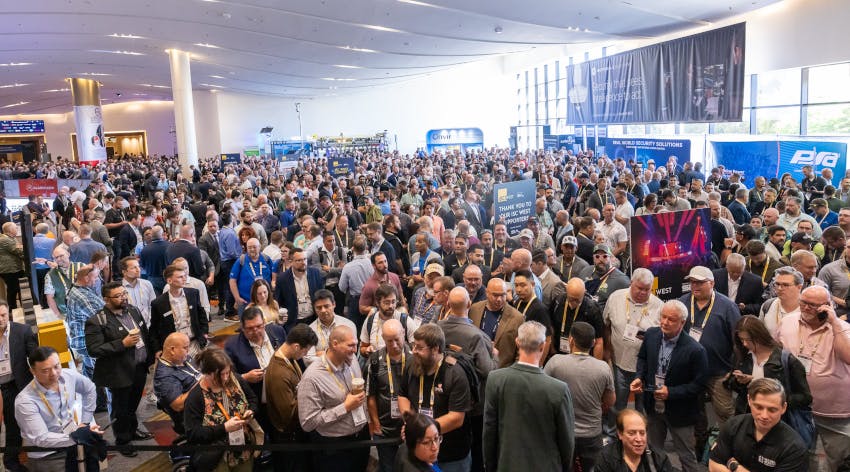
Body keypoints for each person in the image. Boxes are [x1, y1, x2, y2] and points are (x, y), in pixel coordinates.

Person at [483, 320, 574, 472]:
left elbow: (489, 431)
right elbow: (567, 442)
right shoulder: (559, 389)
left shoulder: (495, 379)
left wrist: (490, 466)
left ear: (517, 342)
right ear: (542, 346)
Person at [777, 285, 850, 471]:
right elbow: (777, 350)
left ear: (827, 306)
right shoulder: (788, 321)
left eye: (812, 305)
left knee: (834, 459)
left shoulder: (843, 328)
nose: (806, 307)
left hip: (834, 412)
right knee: (800, 454)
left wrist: (834, 323)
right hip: (798, 407)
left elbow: (848, 356)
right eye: (803, 302)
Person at [631, 300, 708, 472]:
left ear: (682, 322)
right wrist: (639, 378)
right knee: (655, 451)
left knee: (686, 456)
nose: (664, 322)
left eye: (671, 319)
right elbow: (642, 358)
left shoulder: (696, 350)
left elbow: (699, 385)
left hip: (680, 412)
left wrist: (671, 392)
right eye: (663, 317)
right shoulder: (651, 334)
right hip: (652, 406)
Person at [84, 281, 154, 456]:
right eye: (118, 296)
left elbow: (145, 334)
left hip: (139, 367)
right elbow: (94, 349)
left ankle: (133, 430)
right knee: (120, 409)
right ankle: (122, 441)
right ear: (106, 299)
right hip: (118, 372)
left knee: (133, 405)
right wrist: (121, 344)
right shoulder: (97, 320)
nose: (123, 297)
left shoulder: (133, 311)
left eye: (124, 294)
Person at [678, 265, 741, 448]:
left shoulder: (727, 306)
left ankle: (728, 445)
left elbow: (737, 341)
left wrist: (734, 368)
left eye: (699, 282)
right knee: (695, 411)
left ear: (711, 283)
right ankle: (700, 444)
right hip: (691, 372)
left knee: (725, 411)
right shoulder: (682, 303)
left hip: (718, 371)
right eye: (692, 282)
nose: (695, 286)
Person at [437, 287, 497, 472]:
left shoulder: (436, 329)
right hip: (472, 407)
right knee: (475, 450)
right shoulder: (477, 336)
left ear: (447, 304)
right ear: (469, 304)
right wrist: (495, 355)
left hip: (442, 401)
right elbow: (488, 371)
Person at [15, 346, 103, 471]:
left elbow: (90, 389)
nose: (54, 374)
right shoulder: (25, 401)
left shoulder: (67, 376)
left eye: (57, 366)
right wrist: (77, 436)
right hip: (48, 455)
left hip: (75, 443)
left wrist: (85, 423)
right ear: (32, 371)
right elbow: (41, 438)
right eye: (45, 370)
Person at [398, 324, 473, 472]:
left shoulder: (455, 374)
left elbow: (457, 417)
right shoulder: (412, 365)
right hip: (419, 452)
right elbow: (403, 395)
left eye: (419, 348)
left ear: (436, 349)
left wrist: (421, 429)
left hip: (451, 455)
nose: (414, 351)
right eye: (413, 346)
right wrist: (411, 423)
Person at [298, 325, 370, 472]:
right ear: (335, 344)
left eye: (355, 344)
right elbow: (308, 422)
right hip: (335, 447)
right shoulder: (312, 377)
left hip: (361, 437)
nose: (355, 350)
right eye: (350, 345)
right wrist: (345, 407)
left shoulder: (352, 360)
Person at [544, 321, 614, 472]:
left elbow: (542, 392)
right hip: (592, 434)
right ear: (593, 342)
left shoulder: (555, 362)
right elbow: (610, 401)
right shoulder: (603, 368)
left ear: (571, 340)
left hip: (562, 431)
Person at [602, 268, 663, 439]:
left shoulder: (658, 305)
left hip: (645, 369)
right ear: (631, 284)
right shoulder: (616, 298)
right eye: (639, 288)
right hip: (619, 363)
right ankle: (612, 434)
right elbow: (606, 325)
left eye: (647, 289)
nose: (643, 292)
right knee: (617, 403)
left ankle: (641, 437)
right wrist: (607, 349)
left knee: (642, 406)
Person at [708, 378, 808, 472]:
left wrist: (735, 467)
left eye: (772, 410)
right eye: (759, 407)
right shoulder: (733, 425)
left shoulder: (794, 448)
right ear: (749, 400)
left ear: (783, 408)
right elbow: (713, 466)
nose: (764, 416)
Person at [184, 347, 259, 472]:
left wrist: (251, 411)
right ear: (207, 373)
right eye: (220, 375)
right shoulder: (195, 397)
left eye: (227, 373)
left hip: (243, 449)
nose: (225, 378)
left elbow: (252, 399)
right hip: (217, 457)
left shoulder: (235, 380)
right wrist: (224, 428)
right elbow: (193, 434)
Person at [728, 315, 812, 415]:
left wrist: (776, 401)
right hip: (747, 415)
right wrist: (739, 382)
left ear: (760, 336)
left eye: (749, 340)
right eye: (742, 340)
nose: (745, 344)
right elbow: (730, 384)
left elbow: (805, 397)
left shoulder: (786, 360)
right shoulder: (741, 356)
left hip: (778, 418)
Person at [265, 324, 317, 472]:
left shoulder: (289, 360)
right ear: (296, 346)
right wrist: (314, 397)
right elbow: (289, 412)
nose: (305, 354)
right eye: (305, 350)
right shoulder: (279, 373)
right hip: (289, 437)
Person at [224, 306, 287, 426]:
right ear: (242, 328)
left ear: (264, 322)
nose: (256, 331)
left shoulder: (277, 331)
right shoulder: (232, 346)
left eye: (259, 326)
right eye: (250, 329)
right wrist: (245, 377)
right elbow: (225, 377)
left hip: (282, 397)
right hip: (257, 404)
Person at [366, 318, 412, 472]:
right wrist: (375, 423)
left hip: (409, 428)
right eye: (389, 341)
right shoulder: (375, 361)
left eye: (397, 340)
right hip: (385, 429)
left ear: (404, 334)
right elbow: (370, 395)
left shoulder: (415, 358)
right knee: (388, 467)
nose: (393, 345)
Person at [0, 299, 37, 472]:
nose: (0, 319)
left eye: (3, 315)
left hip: (17, 384)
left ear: (8, 313)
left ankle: (14, 459)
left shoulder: (22, 331)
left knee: (15, 423)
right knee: (9, 423)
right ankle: (11, 459)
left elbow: (35, 356)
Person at [149, 264, 209, 356]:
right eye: (180, 277)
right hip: (175, 349)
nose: (184, 279)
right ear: (169, 280)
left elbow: (202, 315)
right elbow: (154, 329)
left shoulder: (193, 293)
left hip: (195, 344)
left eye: (184, 276)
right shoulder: (158, 303)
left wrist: (204, 333)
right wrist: (157, 350)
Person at [469, 278, 524, 368]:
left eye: (503, 295)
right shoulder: (474, 309)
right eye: (495, 295)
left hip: (502, 371)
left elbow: (521, 351)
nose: (499, 299)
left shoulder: (517, 318)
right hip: (476, 368)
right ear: (487, 293)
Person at [153, 332, 201, 434]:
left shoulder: (182, 358)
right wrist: (202, 384)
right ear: (172, 350)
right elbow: (177, 405)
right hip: (193, 415)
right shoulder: (164, 377)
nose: (188, 351)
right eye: (185, 348)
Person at [596, 409, 673, 472]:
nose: (639, 439)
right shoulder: (606, 458)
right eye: (631, 433)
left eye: (642, 433)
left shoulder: (659, 458)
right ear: (620, 434)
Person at [551, 277, 605, 357]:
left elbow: (599, 341)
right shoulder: (558, 301)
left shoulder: (593, 309)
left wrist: (596, 364)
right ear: (566, 291)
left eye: (577, 300)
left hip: (582, 356)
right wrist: (552, 348)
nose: (574, 303)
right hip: (559, 352)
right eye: (571, 299)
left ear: (584, 292)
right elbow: (551, 327)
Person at [360, 284, 418, 356]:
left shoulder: (405, 320)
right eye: (386, 302)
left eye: (393, 302)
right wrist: (366, 350)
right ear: (378, 303)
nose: (391, 306)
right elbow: (362, 348)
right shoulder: (370, 321)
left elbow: (416, 347)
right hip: (378, 363)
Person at [275, 248, 325, 331]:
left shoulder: (315, 273)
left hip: (314, 319)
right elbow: (278, 301)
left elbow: (321, 295)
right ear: (291, 262)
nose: (303, 263)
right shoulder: (282, 279)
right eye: (299, 260)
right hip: (294, 322)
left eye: (305, 259)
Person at [305, 289, 357, 366]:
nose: (323, 310)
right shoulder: (310, 330)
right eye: (319, 308)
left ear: (334, 304)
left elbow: (351, 353)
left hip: (345, 368)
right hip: (321, 372)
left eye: (326, 306)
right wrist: (338, 354)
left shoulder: (348, 325)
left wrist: (321, 354)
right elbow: (308, 360)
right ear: (314, 309)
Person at [229, 237, 274, 319]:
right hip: (246, 302)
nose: (252, 249)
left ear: (259, 247)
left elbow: (274, 276)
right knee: (245, 326)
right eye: (249, 247)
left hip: (264, 301)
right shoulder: (241, 260)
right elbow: (232, 280)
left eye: (254, 247)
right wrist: (237, 298)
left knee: (266, 323)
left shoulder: (266, 259)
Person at [759, 266, 803, 339]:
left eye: (785, 285)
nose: (779, 288)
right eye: (777, 284)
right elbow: (760, 335)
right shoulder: (767, 305)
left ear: (799, 287)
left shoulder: (808, 309)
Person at [44, 246, 84, 320]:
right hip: (66, 313)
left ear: (68, 254)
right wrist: (58, 316)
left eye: (61, 256)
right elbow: (50, 298)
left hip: (85, 309)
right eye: (56, 257)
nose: (59, 259)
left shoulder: (81, 267)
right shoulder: (50, 275)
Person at [586, 244, 630, 309]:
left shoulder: (622, 280)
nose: (601, 259)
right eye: (597, 256)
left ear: (611, 258)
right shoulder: (585, 271)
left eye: (605, 256)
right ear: (593, 258)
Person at [120, 256, 156, 326]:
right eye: (133, 268)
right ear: (124, 272)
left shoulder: (147, 284)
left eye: (138, 266)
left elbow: (152, 305)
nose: (138, 270)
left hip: (149, 325)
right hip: (130, 328)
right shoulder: (120, 289)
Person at [0, 222, 24, 309]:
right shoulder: (6, 240)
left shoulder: (10, 238)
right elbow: (19, 251)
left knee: (15, 289)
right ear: (10, 230)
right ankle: (12, 308)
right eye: (16, 228)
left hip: (14, 269)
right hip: (10, 270)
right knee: (13, 290)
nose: (17, 229)